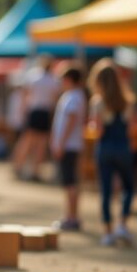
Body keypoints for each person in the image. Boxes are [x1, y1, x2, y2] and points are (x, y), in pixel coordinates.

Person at [88, 59, 136, 245]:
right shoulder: (128, 101)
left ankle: (108, 232)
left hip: (105, 148)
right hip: (123, 147)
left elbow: (97, 129)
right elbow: (129, 128)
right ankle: (122, 224)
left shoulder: (98, 102)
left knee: (106, 191)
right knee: (128, 188)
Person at [50, 64, 86, 232]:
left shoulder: (73, 96)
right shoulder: (74, 95)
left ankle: (71, 217)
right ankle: (72, 216)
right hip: (71, 145)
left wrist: (61, 143)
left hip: (69, 146)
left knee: (69, 182)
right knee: (71, 182)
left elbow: (71, 120)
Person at [12, 55, 60, 181]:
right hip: (44, 113)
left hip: (34, 112)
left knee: (27, 142)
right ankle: (34, 170)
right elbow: (54, 99)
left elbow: (25, 95)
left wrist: (23, 112)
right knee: (40, 143)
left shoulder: (33, 76)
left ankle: (18, 167)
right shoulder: (53, 79)